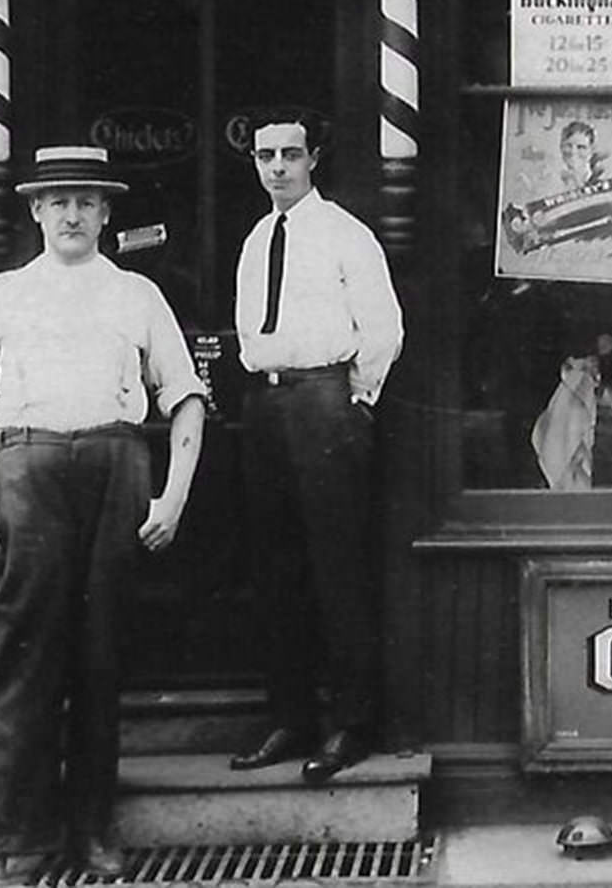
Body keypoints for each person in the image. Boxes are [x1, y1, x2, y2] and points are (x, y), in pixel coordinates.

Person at [0, 146, 207, 882]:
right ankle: (22, 834)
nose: (72, 214)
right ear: (34, 210)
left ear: (107, 210)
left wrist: (173, 495)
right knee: (23, 652)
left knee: (100, 652)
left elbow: (184, 396)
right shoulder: (3, 294)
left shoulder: (136, 296)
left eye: (86, 201)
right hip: (28, 465)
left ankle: (92, 827)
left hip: (117, 467)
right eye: (58, 201)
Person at [228, 110, 403, 784]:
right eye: (266, 155)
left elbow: (384, 329)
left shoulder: (345, 235)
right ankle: (290, 715)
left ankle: (351, 722)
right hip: (266, 405)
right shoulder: (254, 239)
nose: (277, 166)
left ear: (314, 158)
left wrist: (352, 402)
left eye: (290, 154)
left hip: (327, 401)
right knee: (276, 566)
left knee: (338, 564)